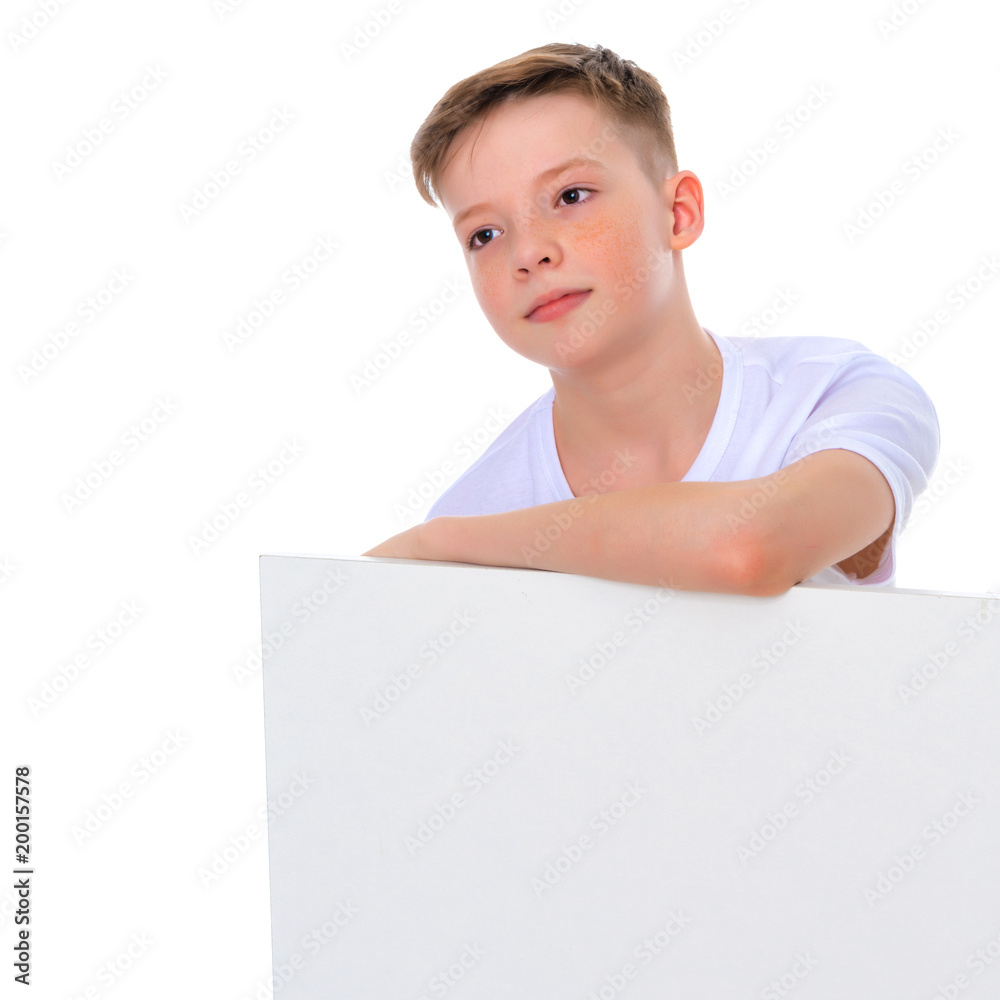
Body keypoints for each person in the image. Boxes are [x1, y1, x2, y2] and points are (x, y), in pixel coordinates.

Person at [362, 42, 939, 596]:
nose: (527, 253)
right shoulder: (475, 508)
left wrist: (443, 541)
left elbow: (749, 550)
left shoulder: (835, 394)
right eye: (484, 234)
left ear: (678, 213)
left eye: (570, 196)